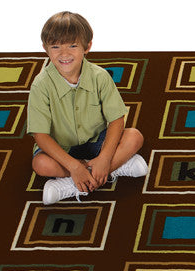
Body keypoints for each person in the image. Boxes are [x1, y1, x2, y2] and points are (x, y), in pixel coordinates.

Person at [28, 11, 147, 205]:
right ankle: (111, 169)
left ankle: (73, 184)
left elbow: (116, 119)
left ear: (87, 46)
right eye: (55, 46)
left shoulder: (100, 77)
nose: (64, 54)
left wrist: (105, 158)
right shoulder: (40, 85)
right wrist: (74, 166)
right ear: (45, 48)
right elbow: (40, 135)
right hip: (61, 149)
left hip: (97, 141)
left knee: (134, 136)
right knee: (40, 164)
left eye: (72, 45)